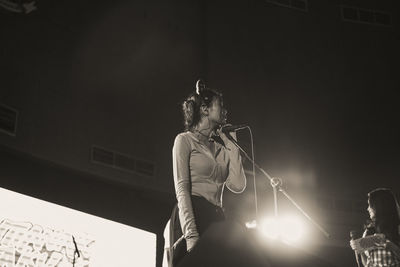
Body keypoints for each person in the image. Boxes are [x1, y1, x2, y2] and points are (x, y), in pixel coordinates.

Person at [164, 82, 247, 267]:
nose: (225, 111)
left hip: (216, 218)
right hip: (192, 213)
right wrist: (191, 233)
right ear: (205, 109)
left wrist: (232, 144)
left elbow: (238, 185)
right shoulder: (184, 140)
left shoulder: (221, 149)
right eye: (220, 105)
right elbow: (182, 189)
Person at [350, 188, 400, 267]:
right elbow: (367, 264)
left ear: (379, 206)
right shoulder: (369, 231)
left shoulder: (397, 229)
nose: (367, 209)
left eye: (370, 205)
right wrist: (359, 249)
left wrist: (391, 246)